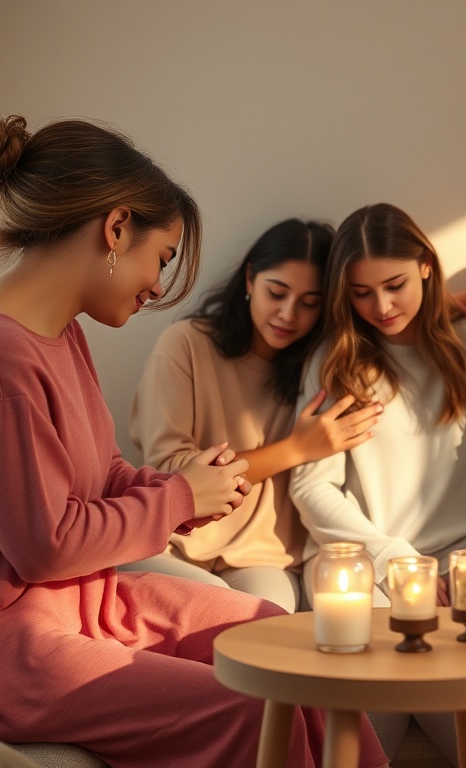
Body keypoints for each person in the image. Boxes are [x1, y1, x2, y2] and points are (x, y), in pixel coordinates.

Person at [0, 114, 386, 768]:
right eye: (163, 256)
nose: (157, 284)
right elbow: (43, 546)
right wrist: (176, 499)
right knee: (255, 704)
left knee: (283, 638)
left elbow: (100, 473)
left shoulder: (57, 330)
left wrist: (181, 489)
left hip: (65, 596)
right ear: (117, 228)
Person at [288, 201, 466, 764]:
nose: (381, 306)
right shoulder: (336, 360)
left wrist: (441, 306)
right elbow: (311, 489)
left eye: (395, 284)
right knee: (400, 651)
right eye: (361, 293)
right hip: (365, 562)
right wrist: (394, 560)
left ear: (426, 264)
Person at [123, 218, 383, 612]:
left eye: (310, 303)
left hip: (264, 558)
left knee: (261, 622)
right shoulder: (185, 345)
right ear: (249, 279)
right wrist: (296, 449)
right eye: (276, 293)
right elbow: (174, 474)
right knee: (218, 611)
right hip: (172, 544)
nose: (288, 314)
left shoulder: (319, 368)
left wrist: (445, 305)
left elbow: (391, 322)